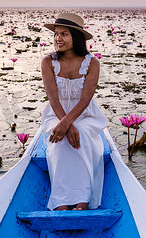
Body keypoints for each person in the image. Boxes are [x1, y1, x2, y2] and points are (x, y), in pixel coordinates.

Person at [40, 13, 108, 211]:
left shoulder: (92, 63)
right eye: (56, 34)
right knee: (58, 142)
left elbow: (86, 98)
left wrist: (70, 123)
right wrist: (64, 124)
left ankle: (82, 199)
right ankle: (61, 200)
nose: (58, 38)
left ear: (76, 37)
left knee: (83, 138)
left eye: (64, 34)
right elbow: (52, 98)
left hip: (85, 114)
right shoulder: (48, 62)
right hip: (56, 113)